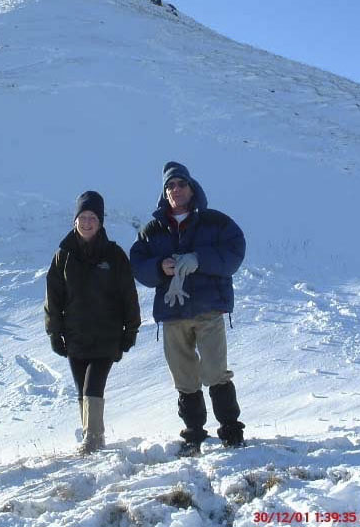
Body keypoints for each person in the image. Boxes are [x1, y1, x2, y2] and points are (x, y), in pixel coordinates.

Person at [130, 162, 246, 455]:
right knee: (183, 376)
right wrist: (159, 267)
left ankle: (231, 431)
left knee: (215, 371)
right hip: (173, 313)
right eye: (170, 186)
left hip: (209, 310)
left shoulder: (215, 222)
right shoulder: (152, 230)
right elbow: (138, 265)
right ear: (164, 192)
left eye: (180, 184)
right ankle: (193, 434)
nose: (176, 190)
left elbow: (234, 253)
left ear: (192, 188)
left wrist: (199, 259)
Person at [45, 190, 141, 454]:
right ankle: (91, 437)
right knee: (81, 391)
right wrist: (55, 332)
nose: (87, 223)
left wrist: (131, 329)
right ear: (75, 220)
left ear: (101, 222)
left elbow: (128, 294)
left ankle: (94, 439)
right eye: (83, 217)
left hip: (107, 335)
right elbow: (53, 295)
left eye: (93, 218)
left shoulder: (114, 255)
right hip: (76, 336)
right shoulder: (62, 256)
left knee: (93, 386)